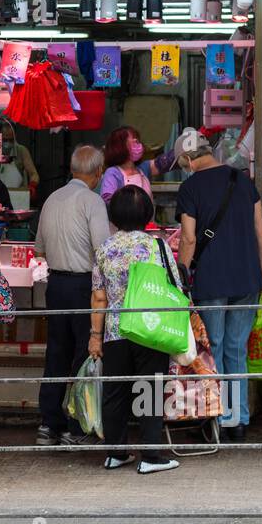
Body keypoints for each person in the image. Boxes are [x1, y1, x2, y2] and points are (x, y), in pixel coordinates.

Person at [176, 129, 262, 440]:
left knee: (212, 348)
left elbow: (188, 237)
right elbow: (261, 233)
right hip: (247, 279)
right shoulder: (243, 181)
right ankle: (237, 419)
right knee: (235, 348)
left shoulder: (190, 187)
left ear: (188, 160)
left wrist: (183, 274)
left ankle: (216, 416)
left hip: (211, 279)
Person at [91, 186, 181, 474]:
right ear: (147, 215)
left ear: (114, 215)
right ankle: (151, 456)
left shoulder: (105, 248)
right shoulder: (159, 246)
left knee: (115, 392)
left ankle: (116, 453)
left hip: (116, 330)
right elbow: (175, 287)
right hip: (151, 328)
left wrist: (95, 335)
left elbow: (98, 296)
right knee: (149, 389)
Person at [33, 145, 110, 446]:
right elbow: (103, 251)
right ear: (98, 172)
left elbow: (39, 248)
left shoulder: (52, 199)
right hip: (83, 286)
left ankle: (49, 423)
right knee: (83, 354)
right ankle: (77, 427)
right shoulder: (93, 202)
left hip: (56, 285)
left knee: (56, 353)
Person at [99, 125, 175, 207]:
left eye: (136, 139)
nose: (136, 140)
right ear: (119, 147)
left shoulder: (143, 168)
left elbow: (164, 162)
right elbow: (107, 201)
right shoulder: (113, 172)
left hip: (148, 219)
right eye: (132, 139)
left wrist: (182, 151)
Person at [0, 131, 38, 196]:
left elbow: (34, 174)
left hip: (17, 194)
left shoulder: (21, 150)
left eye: (11, 140)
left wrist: (32, 185)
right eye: (5, 140)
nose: (8, 143)